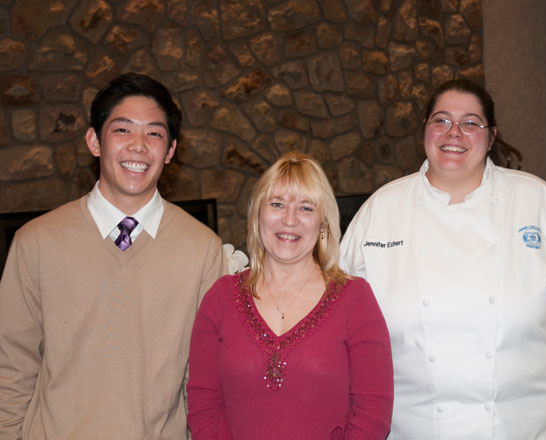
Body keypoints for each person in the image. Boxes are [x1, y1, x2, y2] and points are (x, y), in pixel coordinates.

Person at [340, 78, 546, 440]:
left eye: (470, 123)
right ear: (425, 130)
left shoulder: (540, 203)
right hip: (410, 429)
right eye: (441, 120)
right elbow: (336, 320)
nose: (454, 133)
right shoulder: (381, 211)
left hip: (529, 430)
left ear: (491, 137)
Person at [0, 72, 224, 439]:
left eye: (154, 134)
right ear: (94, 141)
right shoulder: (36, 242)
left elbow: (203, 383)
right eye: (122, 129)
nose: (139, 145)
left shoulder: (203, 250)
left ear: (170, 151)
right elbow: (10, 370)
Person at [187, 151, 393, 439]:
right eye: (277, 204)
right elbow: (204, 404)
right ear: (258, 215)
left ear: (323, 224)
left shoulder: (356, 299)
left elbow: (373, 412)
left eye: (306, 208)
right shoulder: (220, 299)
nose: (289, 219)